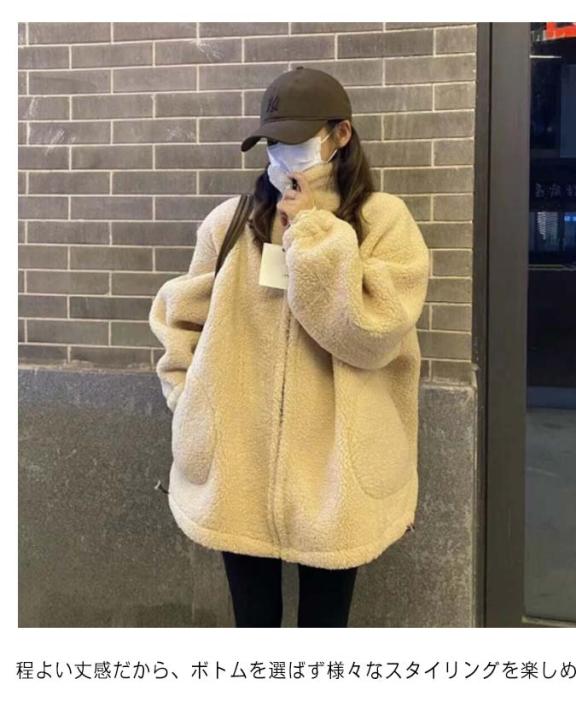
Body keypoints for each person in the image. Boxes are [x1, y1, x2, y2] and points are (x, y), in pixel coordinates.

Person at [148, 66, 430, 628]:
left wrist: (314, 234)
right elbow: (181, 319)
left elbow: (370, 335)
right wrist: (191, 402)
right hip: (238, 467)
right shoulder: (231, 223)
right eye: (273, 142)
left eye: (297, 140)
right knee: (253, 627)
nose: (282, 154)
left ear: (340, 135)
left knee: (324, 630)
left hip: (338, 475)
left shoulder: (382, 222)